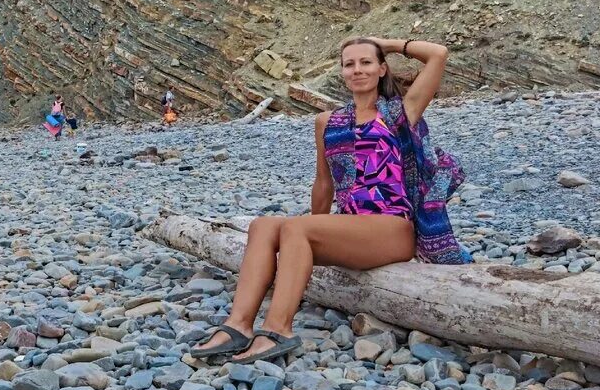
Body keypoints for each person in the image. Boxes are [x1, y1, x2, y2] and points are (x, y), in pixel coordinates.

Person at [192, 37, 471, 366]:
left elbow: (438, 54)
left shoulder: (400, 113)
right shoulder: (328, 122)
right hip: (350, 227)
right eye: (349, 64)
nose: (357, 70)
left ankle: (278, 329)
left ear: (382, 69)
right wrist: (306, 237)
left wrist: (385, 43)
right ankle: (237, 325)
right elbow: (324, 184)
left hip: (393, 228)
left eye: (366, 62)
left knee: (296, 228)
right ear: (341, 72)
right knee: (264, 225)